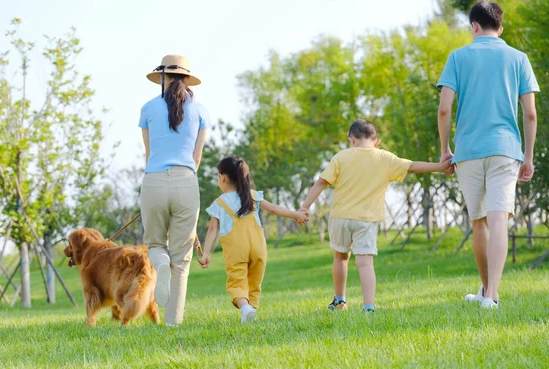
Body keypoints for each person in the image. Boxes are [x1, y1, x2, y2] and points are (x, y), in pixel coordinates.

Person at [437, 2, 539, 309]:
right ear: (501, 28)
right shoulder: (518, 58)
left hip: (468, 151)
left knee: (479, 222)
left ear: (474, 26)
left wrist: (445, 150)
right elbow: (530, 114)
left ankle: (487, 291)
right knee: (498, 221)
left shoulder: (458, 57)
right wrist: (528, 156)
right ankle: (490, 295)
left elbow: (444, 109)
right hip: (506, 149)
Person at [300, 120, 450, 312]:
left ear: (351, 140)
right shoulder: (384, 158)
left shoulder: (341, 157)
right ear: (376, 141)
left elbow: (321, 182)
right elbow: (413, 166)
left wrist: (305, 207)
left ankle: (339, 300)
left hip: (340, 217)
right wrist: (440, 166)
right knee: (365, 263)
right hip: (367, 220)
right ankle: (368, 307)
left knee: (340, 257)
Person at [139, 55, 210, 326]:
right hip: (186, 182)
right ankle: (173, 325)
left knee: (156, 245)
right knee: (182, 260)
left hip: (154, 180)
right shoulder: (201, 110)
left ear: (163, 78)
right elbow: (196, 159)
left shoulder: (147, 108)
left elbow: (149, 155)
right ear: (186, 79)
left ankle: (161, 264)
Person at [198, 156, 308, 324]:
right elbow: (274, 209)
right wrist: (295, 214)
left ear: (223, 178)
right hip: (258, 247)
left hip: (236, 250)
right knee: (254, 282)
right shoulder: (253, 196)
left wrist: (206, 253)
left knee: (237, 282)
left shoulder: (220, 202)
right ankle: (250, 313)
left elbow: (213, 229)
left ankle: (245, 308)